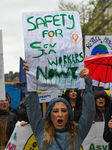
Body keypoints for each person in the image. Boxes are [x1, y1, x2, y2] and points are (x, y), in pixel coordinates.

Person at [23, 60, 95, 150]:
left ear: (68, 114)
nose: (60, 114)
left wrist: (87, 82)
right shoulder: (41, 132)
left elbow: (89, 112)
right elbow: (32, 105)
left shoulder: (77, 134)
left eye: (64, 111)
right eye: (55, 111)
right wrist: (29, 78)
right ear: (49, 114)